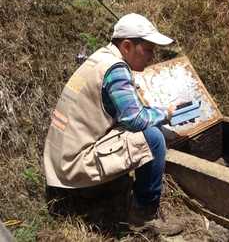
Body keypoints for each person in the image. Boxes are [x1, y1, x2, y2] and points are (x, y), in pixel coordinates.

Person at [44, 13, 182, 235]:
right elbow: (135, 119)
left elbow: (123, 112)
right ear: (127, 46)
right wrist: (165, 113)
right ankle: (144, 216)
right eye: (147, 49)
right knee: (153, 138)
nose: (152, 56)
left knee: (140, 129)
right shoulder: (116, 70)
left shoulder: (100, 58)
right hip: (73, 165)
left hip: (58, 159)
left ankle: (105, 189)